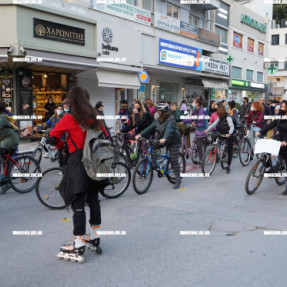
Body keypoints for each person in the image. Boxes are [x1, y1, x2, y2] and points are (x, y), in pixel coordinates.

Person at [49, 86, 109, 262]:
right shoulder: (94, 117)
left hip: (78, 161)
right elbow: (105, 135)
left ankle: (78, 242)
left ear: (71, 101)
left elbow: (52, 136)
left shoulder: (69, 118)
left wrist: (63, 147)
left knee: (78, 202)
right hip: (95, 161)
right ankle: (95, 237)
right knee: (94, 199)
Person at [135, 103, 182, 189]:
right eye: (157, 111)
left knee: (174, 160)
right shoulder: (157, 120)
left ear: (164, 112)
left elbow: (169, 130)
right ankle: (154, 163)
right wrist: (140, 134)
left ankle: (178, 180)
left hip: (173, 141)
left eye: (159, 112)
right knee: (149, 146)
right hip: (162, 140)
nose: (157, 113)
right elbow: (150, 128)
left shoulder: (171, 120)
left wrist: (165, 138)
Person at [255, 101, 287, 195]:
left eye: (283, 107)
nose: (281, 108)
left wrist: (286, 141)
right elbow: (270, 125)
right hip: (279, 138)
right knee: (268, 146)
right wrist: (260, 132)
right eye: (281, 106)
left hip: (285, 141)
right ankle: (269, 165)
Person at [205, 106, 235, 174]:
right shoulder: (220, 117)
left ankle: (228, 166)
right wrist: (208, 129)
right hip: (221, 133)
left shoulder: (228, 118)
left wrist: (229, 133)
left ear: (221, 113)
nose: (216, 113)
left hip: (228, 135)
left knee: (229, 151)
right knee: (218, 142)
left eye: (217, 112)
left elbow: (232, 127)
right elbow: (214, 124)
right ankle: (220, 153)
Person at [0, 101, 19, 193]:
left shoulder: (2, 117)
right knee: (4, 161)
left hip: (10, 141)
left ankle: (5, 181)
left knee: (3, 158)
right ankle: (5, 180)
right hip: (5, 139)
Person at [182, 97, 207, 163]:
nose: (192, 103)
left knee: (199, 145)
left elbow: (203, 123)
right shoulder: (195, 110)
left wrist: (196, 125)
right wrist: (184, 122)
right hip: (195, 126)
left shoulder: (202, 111)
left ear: (197, 104)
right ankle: (186, 148)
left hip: (201, 129)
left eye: (194, 102)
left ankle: (201, 160)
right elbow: (191, 118)